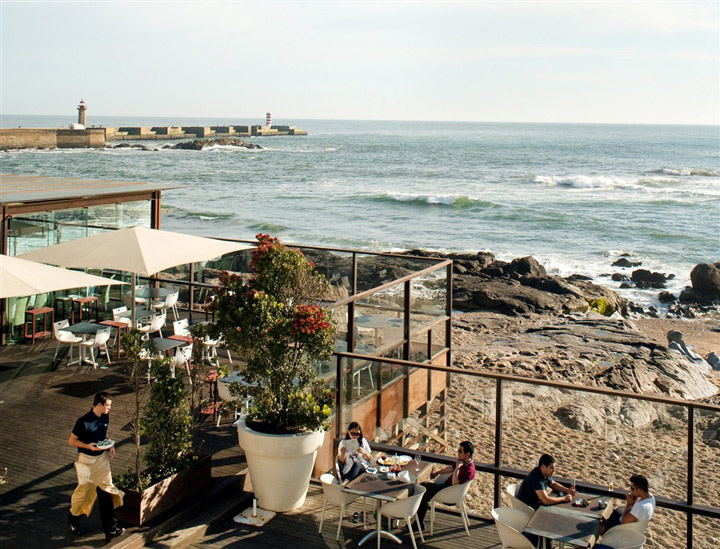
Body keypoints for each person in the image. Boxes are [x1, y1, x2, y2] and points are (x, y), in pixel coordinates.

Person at [67, 392, 125, 541]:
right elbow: (72, 441)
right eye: (108, 406)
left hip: (101, 460)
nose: (110, 408)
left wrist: (110, 444)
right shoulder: (83, 422)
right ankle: (73, 521)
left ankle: (111, 529)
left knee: (106, 491)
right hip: (86, 461)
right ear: (99, 405)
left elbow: (104, 433)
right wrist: (88, 446)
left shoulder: (105, 416)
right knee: (83, 493)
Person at [517, 454, 577, 548]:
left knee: (553, 513)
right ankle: (546, 545)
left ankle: (546, 542)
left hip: (535, 504)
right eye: (551, 468)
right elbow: (546, 500)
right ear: (543, 467)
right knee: (550, 520)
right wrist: (564, 499)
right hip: (528, 508)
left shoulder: (543, 473)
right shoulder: (536, 478)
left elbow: (553, 484)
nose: (554, 470)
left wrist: (567, 490)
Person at [416, 440, 475, 530]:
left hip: (449, 493)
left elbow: (454, 483)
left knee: (422, 489)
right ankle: (418, 523)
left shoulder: (468, 470)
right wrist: (437, 473)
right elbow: (451, 467)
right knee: (424, 492)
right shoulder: (464, 462)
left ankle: (417, 523)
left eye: (460, 451)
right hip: (447, 488)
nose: (458, 453)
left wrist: (458, 468)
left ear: (467, 454)